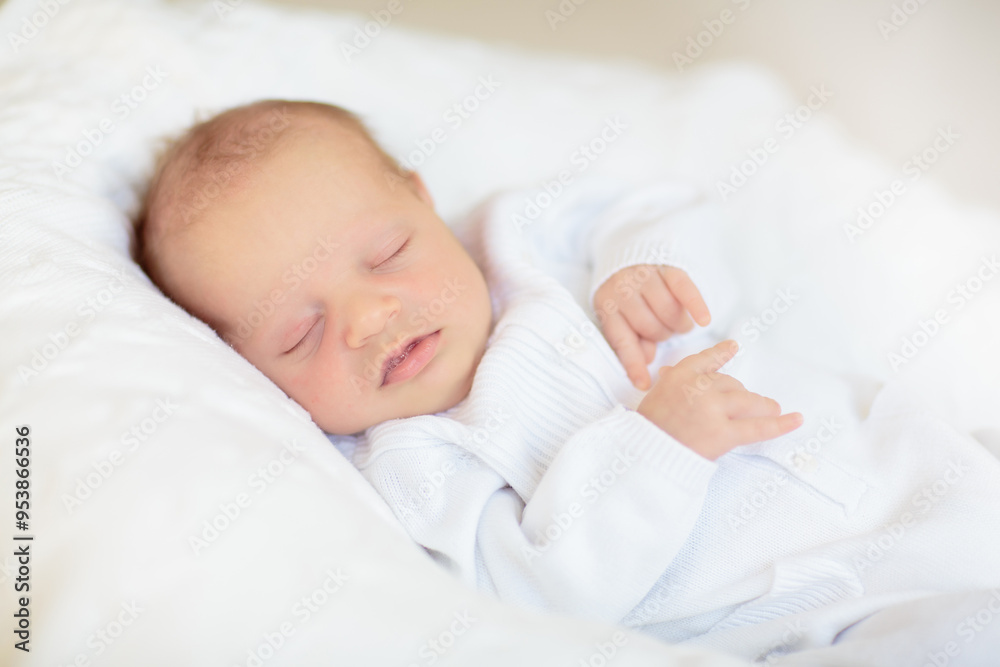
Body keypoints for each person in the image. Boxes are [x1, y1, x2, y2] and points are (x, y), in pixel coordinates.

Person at [136, 99, 1000, 661]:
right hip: (818, 617)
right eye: (302, 331)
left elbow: (658, 210)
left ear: (421, 199)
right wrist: (652, 448)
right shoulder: (412, 466)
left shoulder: (527, 240)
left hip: (915, 469)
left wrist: (645, 270)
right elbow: (529, 591)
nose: (369, 318)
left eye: (388, 253)